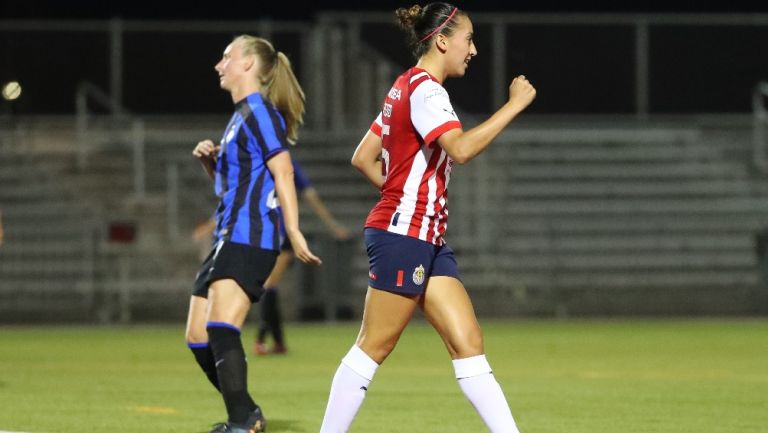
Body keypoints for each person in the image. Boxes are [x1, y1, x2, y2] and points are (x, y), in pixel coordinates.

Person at [317, 3, 536, 433]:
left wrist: (406, 194)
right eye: (468, 39)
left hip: (425, 236)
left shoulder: (403, 86)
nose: (473, 49)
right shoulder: (428, 91)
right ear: (442, 40)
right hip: (406, 233)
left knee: (468, 343)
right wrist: (514, 105)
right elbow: (461, 149)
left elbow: (363, 158)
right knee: (372, 346)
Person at [185, 34, 321, 433]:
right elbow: (240, 184)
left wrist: (293, 232)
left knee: (221, 327)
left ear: (247, 65)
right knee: (197, 336)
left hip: (250, 237)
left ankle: (241, 422)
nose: (219, 64)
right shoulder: (240, 116)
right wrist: (213, 165)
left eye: (226, 56)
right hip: (227, 236)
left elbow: (284, 173)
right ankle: (247, 411)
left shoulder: (260, 111)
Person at [254, 159, 350, 356]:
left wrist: (331, 225)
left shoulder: (284, 162)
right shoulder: (264, 163)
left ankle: (262, 339)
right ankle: (278, 342)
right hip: (264, 231)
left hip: (281, 232)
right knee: (269, 286)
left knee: (268, 285)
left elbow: (309, 195)